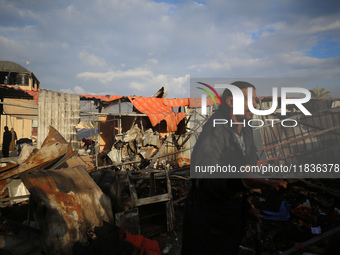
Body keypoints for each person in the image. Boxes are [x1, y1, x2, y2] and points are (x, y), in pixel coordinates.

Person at [181, 81, 287, 255]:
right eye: (249, 100)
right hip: (209, 221)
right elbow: (204, 179)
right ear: (230, 102)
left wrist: (245, 208)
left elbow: (244, 170)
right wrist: (243, 180)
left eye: (255, 100)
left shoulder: (245, 130)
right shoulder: (215, 133)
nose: (255, 105)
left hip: (230, 215)